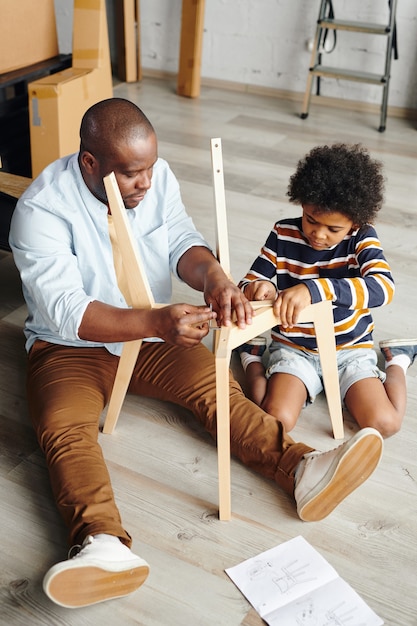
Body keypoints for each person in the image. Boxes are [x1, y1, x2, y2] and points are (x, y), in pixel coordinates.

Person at [9, 100, 384, 610]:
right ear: (90, 162)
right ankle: (100, 543)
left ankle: (301, 470)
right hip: (68, 345)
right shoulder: (40, 210)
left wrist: (216, 280)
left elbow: (180, 240)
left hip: (149, 330)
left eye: (150, 167)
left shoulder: (154, 176)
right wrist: (158, 321)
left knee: (216, 388)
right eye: (132, 173)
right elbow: (67, 310)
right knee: (62, 427)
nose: (146, 181)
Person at [236, 143, 415, 437]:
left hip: (349, 350)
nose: (318, 234)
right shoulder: (283, 233)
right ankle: (251, 355)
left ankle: (398, 358)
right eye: (310, 220)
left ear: (355, 222)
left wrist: (316, 289)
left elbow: (383, 288)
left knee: (385, 423)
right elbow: (249, 282)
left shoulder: (362, 238)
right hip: (295, 349)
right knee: (274, 420)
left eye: (333, 229)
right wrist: (260, 286)